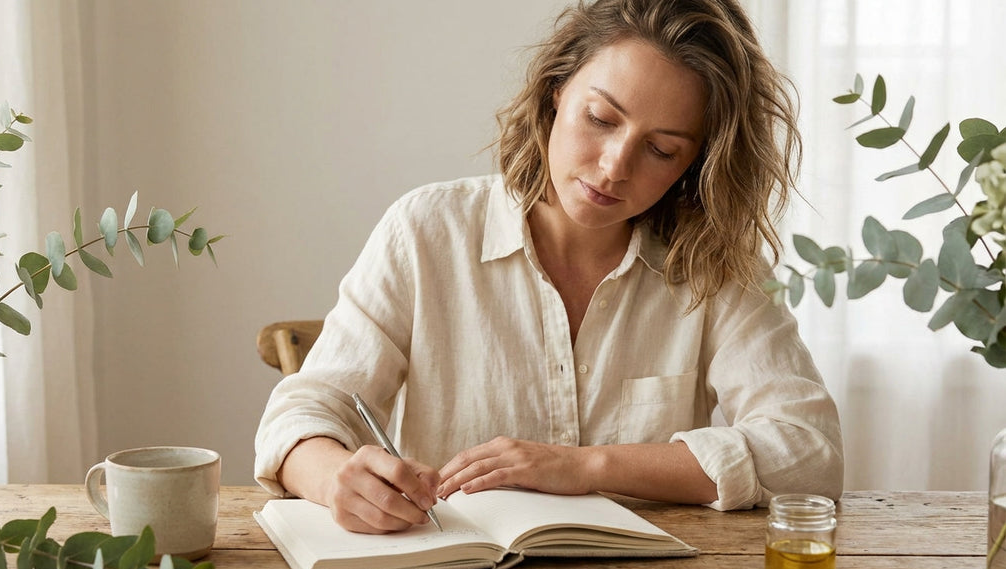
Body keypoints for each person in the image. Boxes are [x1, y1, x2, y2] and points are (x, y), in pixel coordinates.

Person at [254, 0, 843, 535]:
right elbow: (304, 412)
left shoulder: (713, 264)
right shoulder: (425, 231)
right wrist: (335, 478)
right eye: (601, 119)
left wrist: (588, 466)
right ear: (556, 90)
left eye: (661, 149)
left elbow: (810, 452)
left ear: (696, 163)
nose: (614, 167)